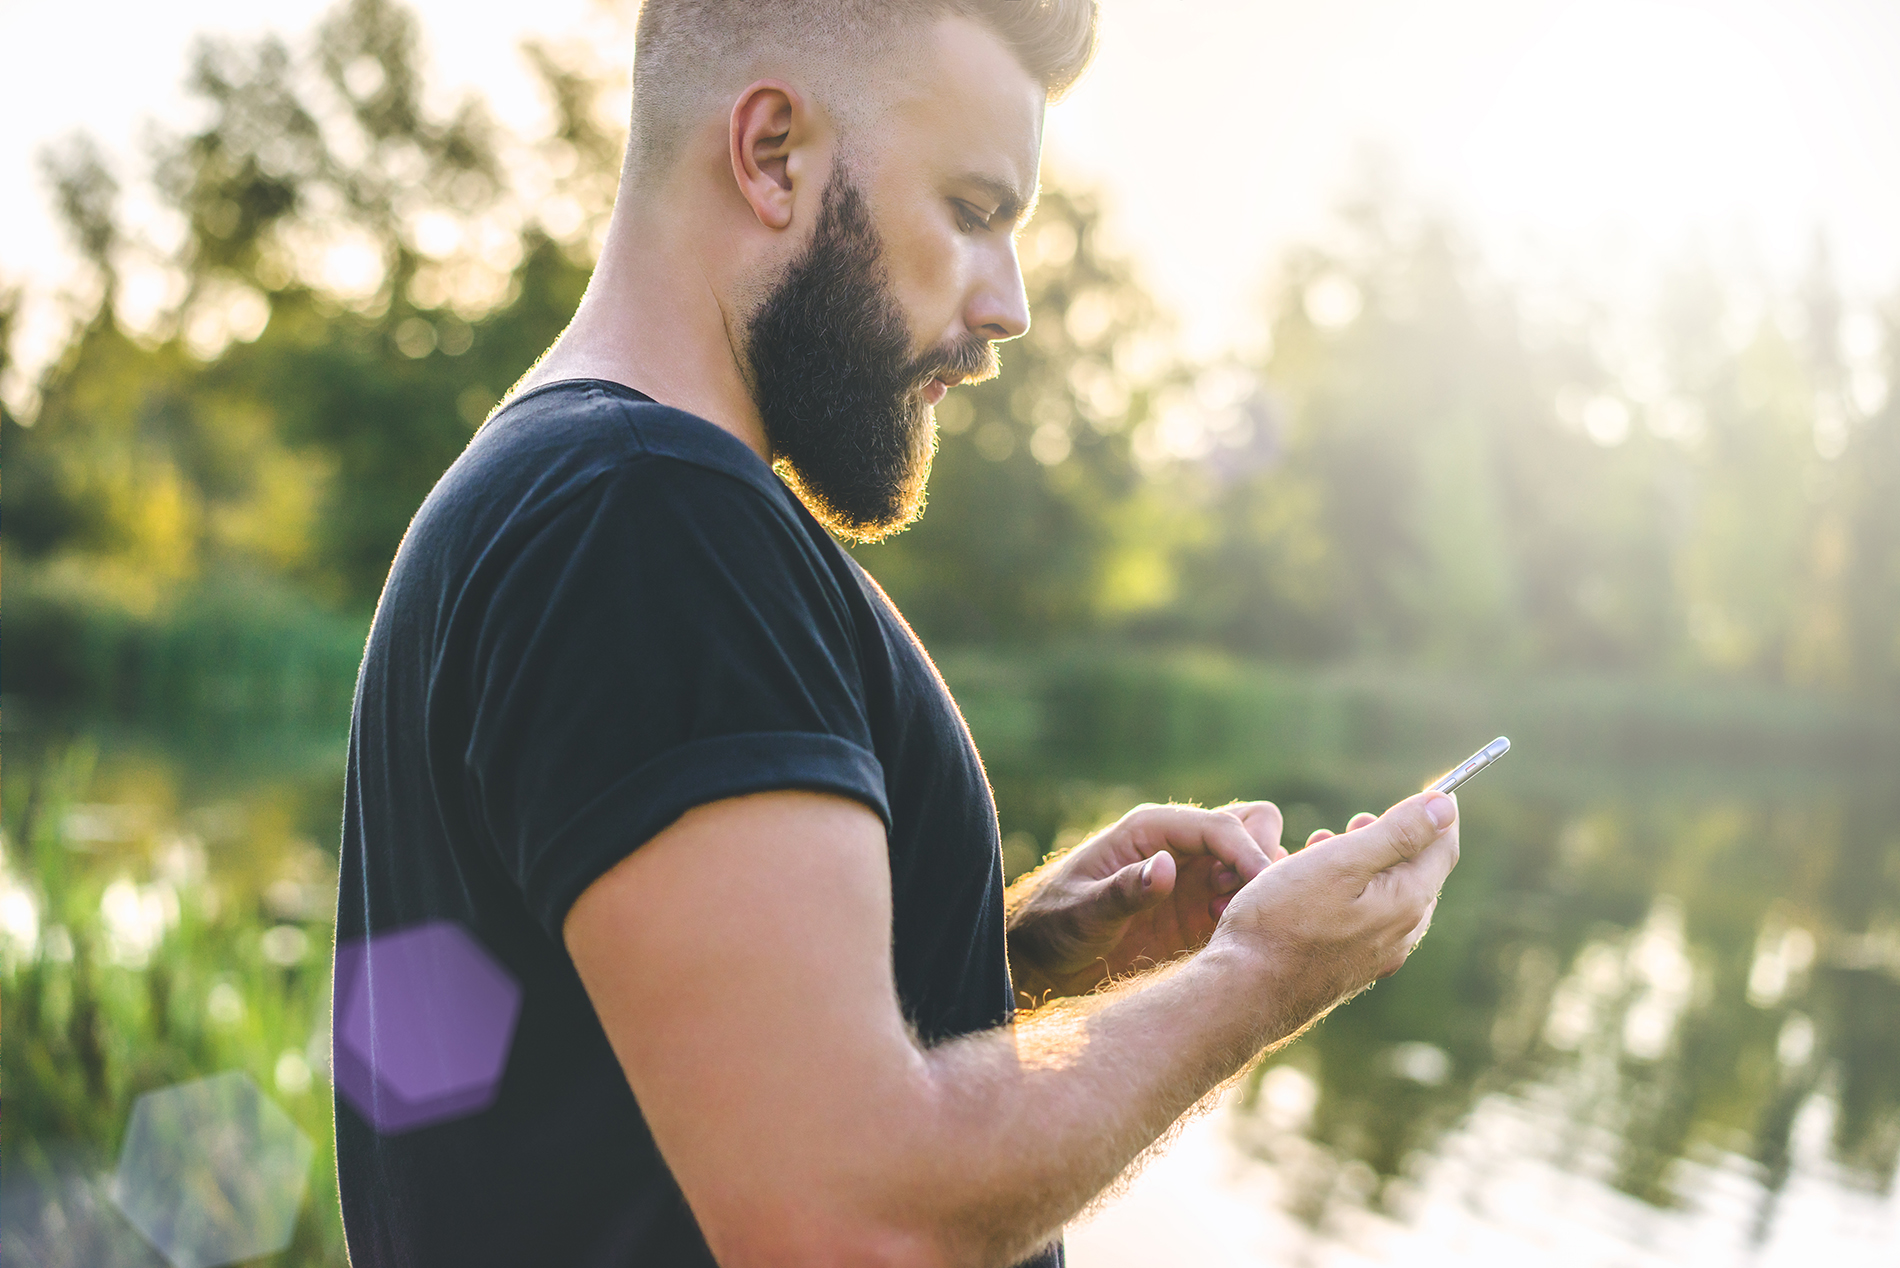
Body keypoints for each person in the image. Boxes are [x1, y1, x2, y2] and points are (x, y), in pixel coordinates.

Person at [332, 1, 1460, 1265]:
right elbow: (846, 1220)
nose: (1011, 305)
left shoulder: (564, 488)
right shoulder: (648, 517)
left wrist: (1009, 953)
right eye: (974, 211)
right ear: (771, 155)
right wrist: (1258, 976)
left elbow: (590, 1073)